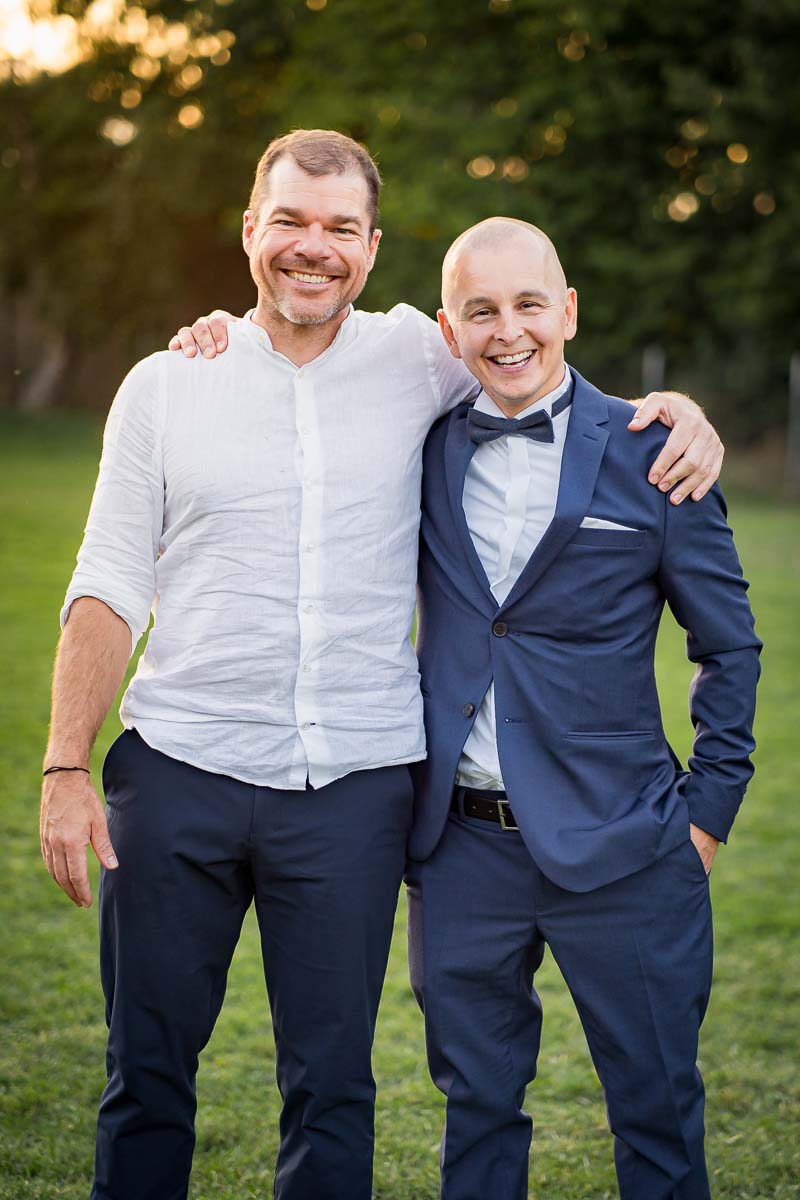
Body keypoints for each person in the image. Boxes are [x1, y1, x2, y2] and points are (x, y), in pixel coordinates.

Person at [40, 130, 723, 1200]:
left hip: (354, 789)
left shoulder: (420, 358)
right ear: (250, 230)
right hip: (178, 771)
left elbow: (537, 367)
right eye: (290, 222)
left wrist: (681, 415)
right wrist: (65, 764)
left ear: (369, 246)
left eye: (340, 228)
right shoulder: (169, 384)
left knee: (332, 1087)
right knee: (146, 1076)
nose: (313, 247)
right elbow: (108, 578)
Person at [405, 217, 761, 1199]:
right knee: (476, 1116)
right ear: (449, 329)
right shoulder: (418, 446)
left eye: (528, 304)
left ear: (566, 310)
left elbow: (728, 647)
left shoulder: (657, 451)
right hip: (459, 849)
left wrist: (706, 815)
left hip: (627, 843)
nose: (507, 330)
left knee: (656, 1115)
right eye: (481, 311)